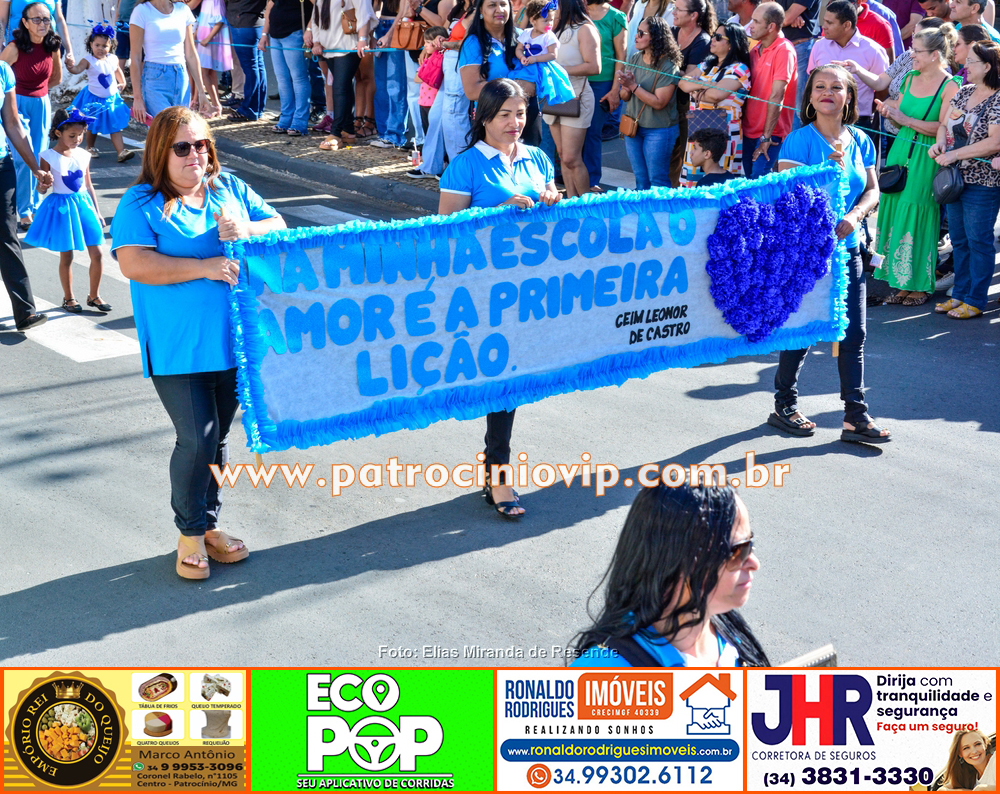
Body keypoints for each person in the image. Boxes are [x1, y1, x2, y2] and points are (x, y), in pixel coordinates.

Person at [111, 107, 287, 579]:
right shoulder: (141, 201)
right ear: (160, 152)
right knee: (197, 438)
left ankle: (209, 526)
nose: (196, 154)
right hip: (178, 347)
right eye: (183, 147)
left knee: (218, 438)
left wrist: (247, 228)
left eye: (202, 144)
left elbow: (279, 226)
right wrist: (203, 267)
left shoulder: (228, 189)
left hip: (233, 342)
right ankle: (189, 534)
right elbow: (134, 263)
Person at [437, 79, 561, 519]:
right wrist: (495, 212)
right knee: (499, 378)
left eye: (521, 113)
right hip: (483, 290)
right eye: (505, 114)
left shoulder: (539, 158)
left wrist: (553, 198)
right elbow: (444, 231)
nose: (515, 122)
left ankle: (495, 469)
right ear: (484, 117)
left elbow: (554, 217)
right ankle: (499, 474)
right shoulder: (465, 166)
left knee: (512, 380)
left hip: (530, 289)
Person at [770, 64, 891, 443]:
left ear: (849, 96)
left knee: (853, 334)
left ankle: (856, 417)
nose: (827, 92)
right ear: (809, 97)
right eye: (819, 86)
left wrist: (856, 216)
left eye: (836, 87)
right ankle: (784, 404)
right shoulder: (798, 141)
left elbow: (872, 190)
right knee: (804, 329)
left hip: (849, 251)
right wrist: (825, 170)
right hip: (807, 254)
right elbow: (789, 197)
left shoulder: (862, 140)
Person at [569, 484, 769, 667]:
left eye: (750, 544)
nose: (754, 563)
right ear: (679, 560)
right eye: (738, 551)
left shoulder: (728, 633)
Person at [845, 25, 959, 304]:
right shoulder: (909, 78)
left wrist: (905, 120)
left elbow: (944, 128)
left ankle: (919, 285)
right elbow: (900, 116)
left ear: (934, 54)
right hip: (900, 154)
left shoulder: (950, 85)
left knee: (917, 214)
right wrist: (890, 113)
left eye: (917, 51)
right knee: (895, 212)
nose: (911, 55)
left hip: (926, 157)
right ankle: (900, 281)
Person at [930, 40, 1000, 318]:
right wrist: (940, 144)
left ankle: (976, 300)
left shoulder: (998, 98)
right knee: (959, 240)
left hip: (983, 182)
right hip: (955, 178)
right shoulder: (964, 91)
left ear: (988, 66)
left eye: (971, 61)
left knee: (978, 241)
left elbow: (994, 143)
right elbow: (943, 125)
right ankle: (959, 294)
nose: (965, 66)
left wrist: (954, 154)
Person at [25, 108, 109, 315]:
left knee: (97, 253)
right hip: (63, 208)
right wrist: (44, 184)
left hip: (84, 205)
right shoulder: (48, 156)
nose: (77, 139)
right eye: (72, 135)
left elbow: (88, 185)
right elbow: (41, 188)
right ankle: (69, 297)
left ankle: (94, 295)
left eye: (81, 135)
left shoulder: (84, 154)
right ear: (58, 133)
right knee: (67, 255)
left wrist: (97, 212)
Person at [0, 43, 50, 331]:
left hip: (1, 164)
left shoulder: (4, 72)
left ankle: (25, 312)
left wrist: (35, 167)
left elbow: (13, 124)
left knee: (7, 235)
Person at [1, 2, 59, 231]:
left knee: (40, 155)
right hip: (16, 103)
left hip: (41, 103)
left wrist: (39, 93)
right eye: (36, 19)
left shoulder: (53, 46)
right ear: (25, 23)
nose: (42, 23)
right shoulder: (14, 48)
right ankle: (24, 211)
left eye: (46, 19)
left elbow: (56, 78)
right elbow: (1, 77)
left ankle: (36, 206)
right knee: (23, 159)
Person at [407, 0, 477, 177]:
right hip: (449, 67)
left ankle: (459, 172)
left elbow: (468, 43)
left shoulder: (478, 11)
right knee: (436, 116)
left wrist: (445, 44)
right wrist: (435, 43)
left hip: (460, 67)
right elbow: (445, 32)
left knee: (454, 119)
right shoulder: (460, 9)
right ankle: (431, 165)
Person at [679, 20, 751, 183]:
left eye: (718, 37)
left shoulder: (740, 69)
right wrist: (705, 85)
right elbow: (683, 83)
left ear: (731, 44)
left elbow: (716, 95)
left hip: (723, 133)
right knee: (693, 181)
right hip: (699, 126)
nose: (712, 40)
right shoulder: (707, 64)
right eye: (713, 36)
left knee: (719, 184)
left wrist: (696, 88)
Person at [542, 0, 601, 197]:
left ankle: (586, 205)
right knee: (562, 155)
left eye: (554, 3)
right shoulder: (553, 28)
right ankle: (571, 202)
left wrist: (559, 71)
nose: (551, 8)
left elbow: (595, 67)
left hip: (577, 97)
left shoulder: (585, 29)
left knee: (571, 158)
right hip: (554, 98)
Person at [809, 0, 889, 135]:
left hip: (859, 122)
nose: (824, 26)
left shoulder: (874, 51)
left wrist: (866, 110)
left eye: (829, 23)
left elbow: (883, 89)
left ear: (846, 25)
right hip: (821, 119)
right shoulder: (819, 46)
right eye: (824, 21)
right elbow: (812, 81)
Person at [619, 16, 682, 187]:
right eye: (637, 32)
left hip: (659, 129)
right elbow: (625, 97)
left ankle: (660, 207)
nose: (636, 36)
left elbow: (659, 102)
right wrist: (625, 85)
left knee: (657, 180)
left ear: (655, 37)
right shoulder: (635, 58)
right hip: (633, 127)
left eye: (641, 33)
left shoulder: (668, 65)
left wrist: (633, 86)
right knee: (640, 179)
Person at [306, 0, 373, 148]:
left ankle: (335, 133)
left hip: (349, 45)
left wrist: (362, 39)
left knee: (339, 87)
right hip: (329, 47)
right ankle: (348, 131)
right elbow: (316, 16)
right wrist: (316, 42)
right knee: (344, 87)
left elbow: (364, 13)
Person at [130, 0, 210, 123]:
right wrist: (137, 98)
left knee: (181, 127)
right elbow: (135, 57)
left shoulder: (183, 9)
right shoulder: (141, 11)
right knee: (164, 128)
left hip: (181, 77)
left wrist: (201, 92)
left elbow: (191, 54)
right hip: (155, 78)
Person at [65, 23, 135, 163]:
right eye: (97, 45)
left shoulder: (113, 58)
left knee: (115, 125)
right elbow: (77, 69)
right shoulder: (88, 60)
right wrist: (70, 67)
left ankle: (121, 152)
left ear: (111, 46)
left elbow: (117, 70)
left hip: (111, 99)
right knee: (92, 125)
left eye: (104, 46)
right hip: (93, 98)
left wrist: (122, 82)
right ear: (91, 44)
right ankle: (90, 147)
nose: (100, 49)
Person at [744, 2, 797, 177]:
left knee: (759, 185)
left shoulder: (784, 50)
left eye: (756, 21)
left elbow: (777, 95)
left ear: (771, 26)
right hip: (748, 130)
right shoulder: (755, 49)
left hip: (770, 135)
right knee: (747, 184)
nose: (750, 26)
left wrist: (766, 137)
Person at [670, 0, 715, 185]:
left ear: (693, 15)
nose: (673, 12)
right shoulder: (672, 33)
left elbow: (689, 80)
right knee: (669, 157)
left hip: (689, 108)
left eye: (678, 9)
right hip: (668, 103)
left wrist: (670, 70)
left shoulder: (702, 41)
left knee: (687, 156)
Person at [583, 0, 627, 187]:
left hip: (602, 83)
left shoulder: (616, 17)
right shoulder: (576, 10)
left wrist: (615, 89)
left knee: (592, 131)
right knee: (571, 131)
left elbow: (621, 56)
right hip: (575, 80)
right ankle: (570, 175)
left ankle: (591, 180)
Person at [259, 0, 314, 136]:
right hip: (275, 35)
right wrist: (264, 34)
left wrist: (309, 29)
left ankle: (299, 122)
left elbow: (318, 6)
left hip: (294, 32)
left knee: (298, 77)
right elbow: (270, 7)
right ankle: (286, 118)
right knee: (282, 79)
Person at [509, 0, 576, 106]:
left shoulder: (549, 36)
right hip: (526, 65)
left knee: (539, 89)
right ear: (533, 20)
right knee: (518, 86)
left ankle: (537, 107)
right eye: (545, 20)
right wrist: (521, 57)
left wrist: (536, 59)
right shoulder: (526, 33)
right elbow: (519, 49)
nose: (549, 24)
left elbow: (553, 55)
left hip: (542, 67)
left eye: (551, 20)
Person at [778, 0, 820, 132]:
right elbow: (766, 9)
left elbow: (785, 19)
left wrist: (787, 17)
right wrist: (787, 16)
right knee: (776, 98)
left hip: (800, 49)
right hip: (778, 47)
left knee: (797, 106)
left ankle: (797, 142)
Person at [225, 0, 268, 122]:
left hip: (244, 21)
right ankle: (257, 108)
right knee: (257, 66)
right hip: (253, 21)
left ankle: (249, 109)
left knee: (251, 68)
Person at [194, 0, 232, 118]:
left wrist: (208, 38)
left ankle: (215, 105)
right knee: (209, 72)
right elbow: (202, 18)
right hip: (204, 38)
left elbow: (219, 21)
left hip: (209, 40)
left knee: (204, 72)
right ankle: (216, 104)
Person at [415, 26, 449, 135]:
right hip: (424, 101)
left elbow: (419, 77)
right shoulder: (428, 59)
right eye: (425, 42)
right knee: (428, 131)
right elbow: (417, 79)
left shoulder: (442, 58)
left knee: (435, 132)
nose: (425, 45)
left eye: (428, 42)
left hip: (435, 102)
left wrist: (426, 72)